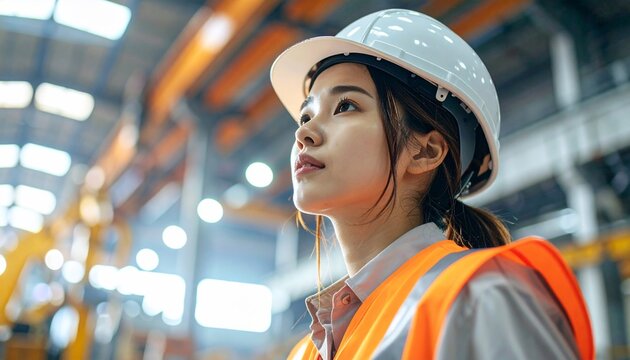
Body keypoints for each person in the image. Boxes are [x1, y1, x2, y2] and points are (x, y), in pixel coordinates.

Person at [270, 8, 593, 360]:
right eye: (305, 115)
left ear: (424, 151)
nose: (303, 133)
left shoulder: (482, 297)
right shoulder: (306, 353)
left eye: (345, 106)